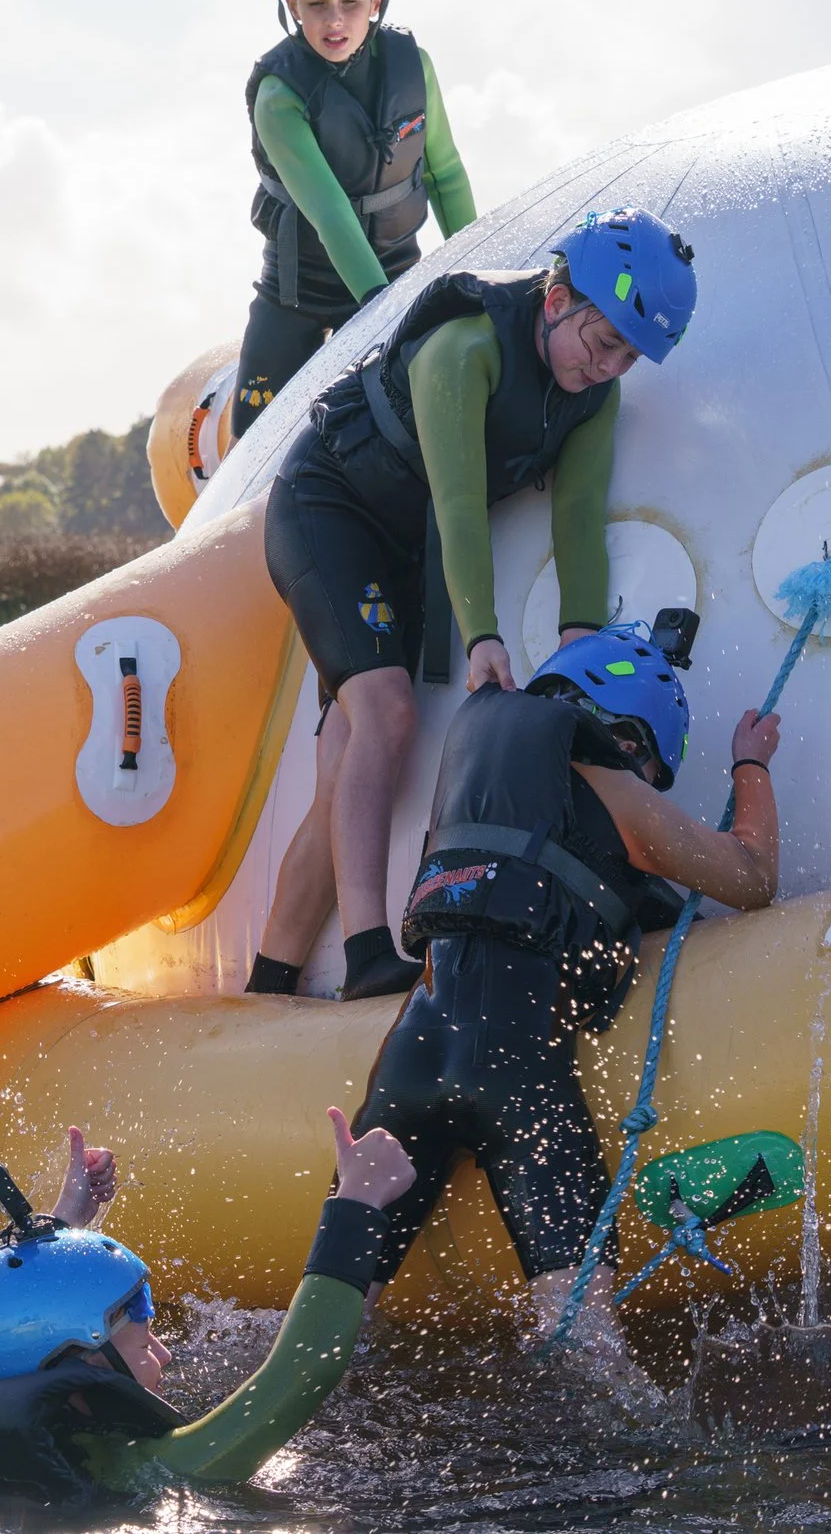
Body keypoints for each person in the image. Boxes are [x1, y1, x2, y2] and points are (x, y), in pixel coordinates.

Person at [246, 207, 700, 1001]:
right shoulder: (468, 348)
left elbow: (578, 522)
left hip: (403, 540)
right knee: (386, 716)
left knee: (346, 763)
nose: (608, 368)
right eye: (603, 344)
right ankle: (365, 956)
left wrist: (580, 647)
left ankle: (267, 983)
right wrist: (482, 634)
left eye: (629, 357)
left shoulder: (595, 398)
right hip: (328, 508)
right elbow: (459, 504)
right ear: (558, 299)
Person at [348, 621, 783, 1329]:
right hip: (522, 1080)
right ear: (633, 740)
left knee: (335, 1320)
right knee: (584, 1346)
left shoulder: (469, 764)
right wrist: (750, 766)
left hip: (408, 1059)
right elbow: (754, 878)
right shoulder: (613, 786)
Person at [0, 1112, 416, 1505]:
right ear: (87, 1363)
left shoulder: (13, 1450)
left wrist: (65, 1224)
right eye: (143, 1335)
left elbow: (8, 1315)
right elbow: (303, 1369)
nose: (166, 1352)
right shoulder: (140, 1471)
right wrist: (357, 1201)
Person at [230, 0, 477, 441]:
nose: (334, 20)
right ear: (292, 6)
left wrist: (478, 272)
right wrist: (378, 312)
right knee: (250, 443)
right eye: (315, 4)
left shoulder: (416, 67)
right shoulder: (279, 96)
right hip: (298, 295)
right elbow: (331, 213)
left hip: (398, 273)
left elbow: (447, 177)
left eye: (350, 1)